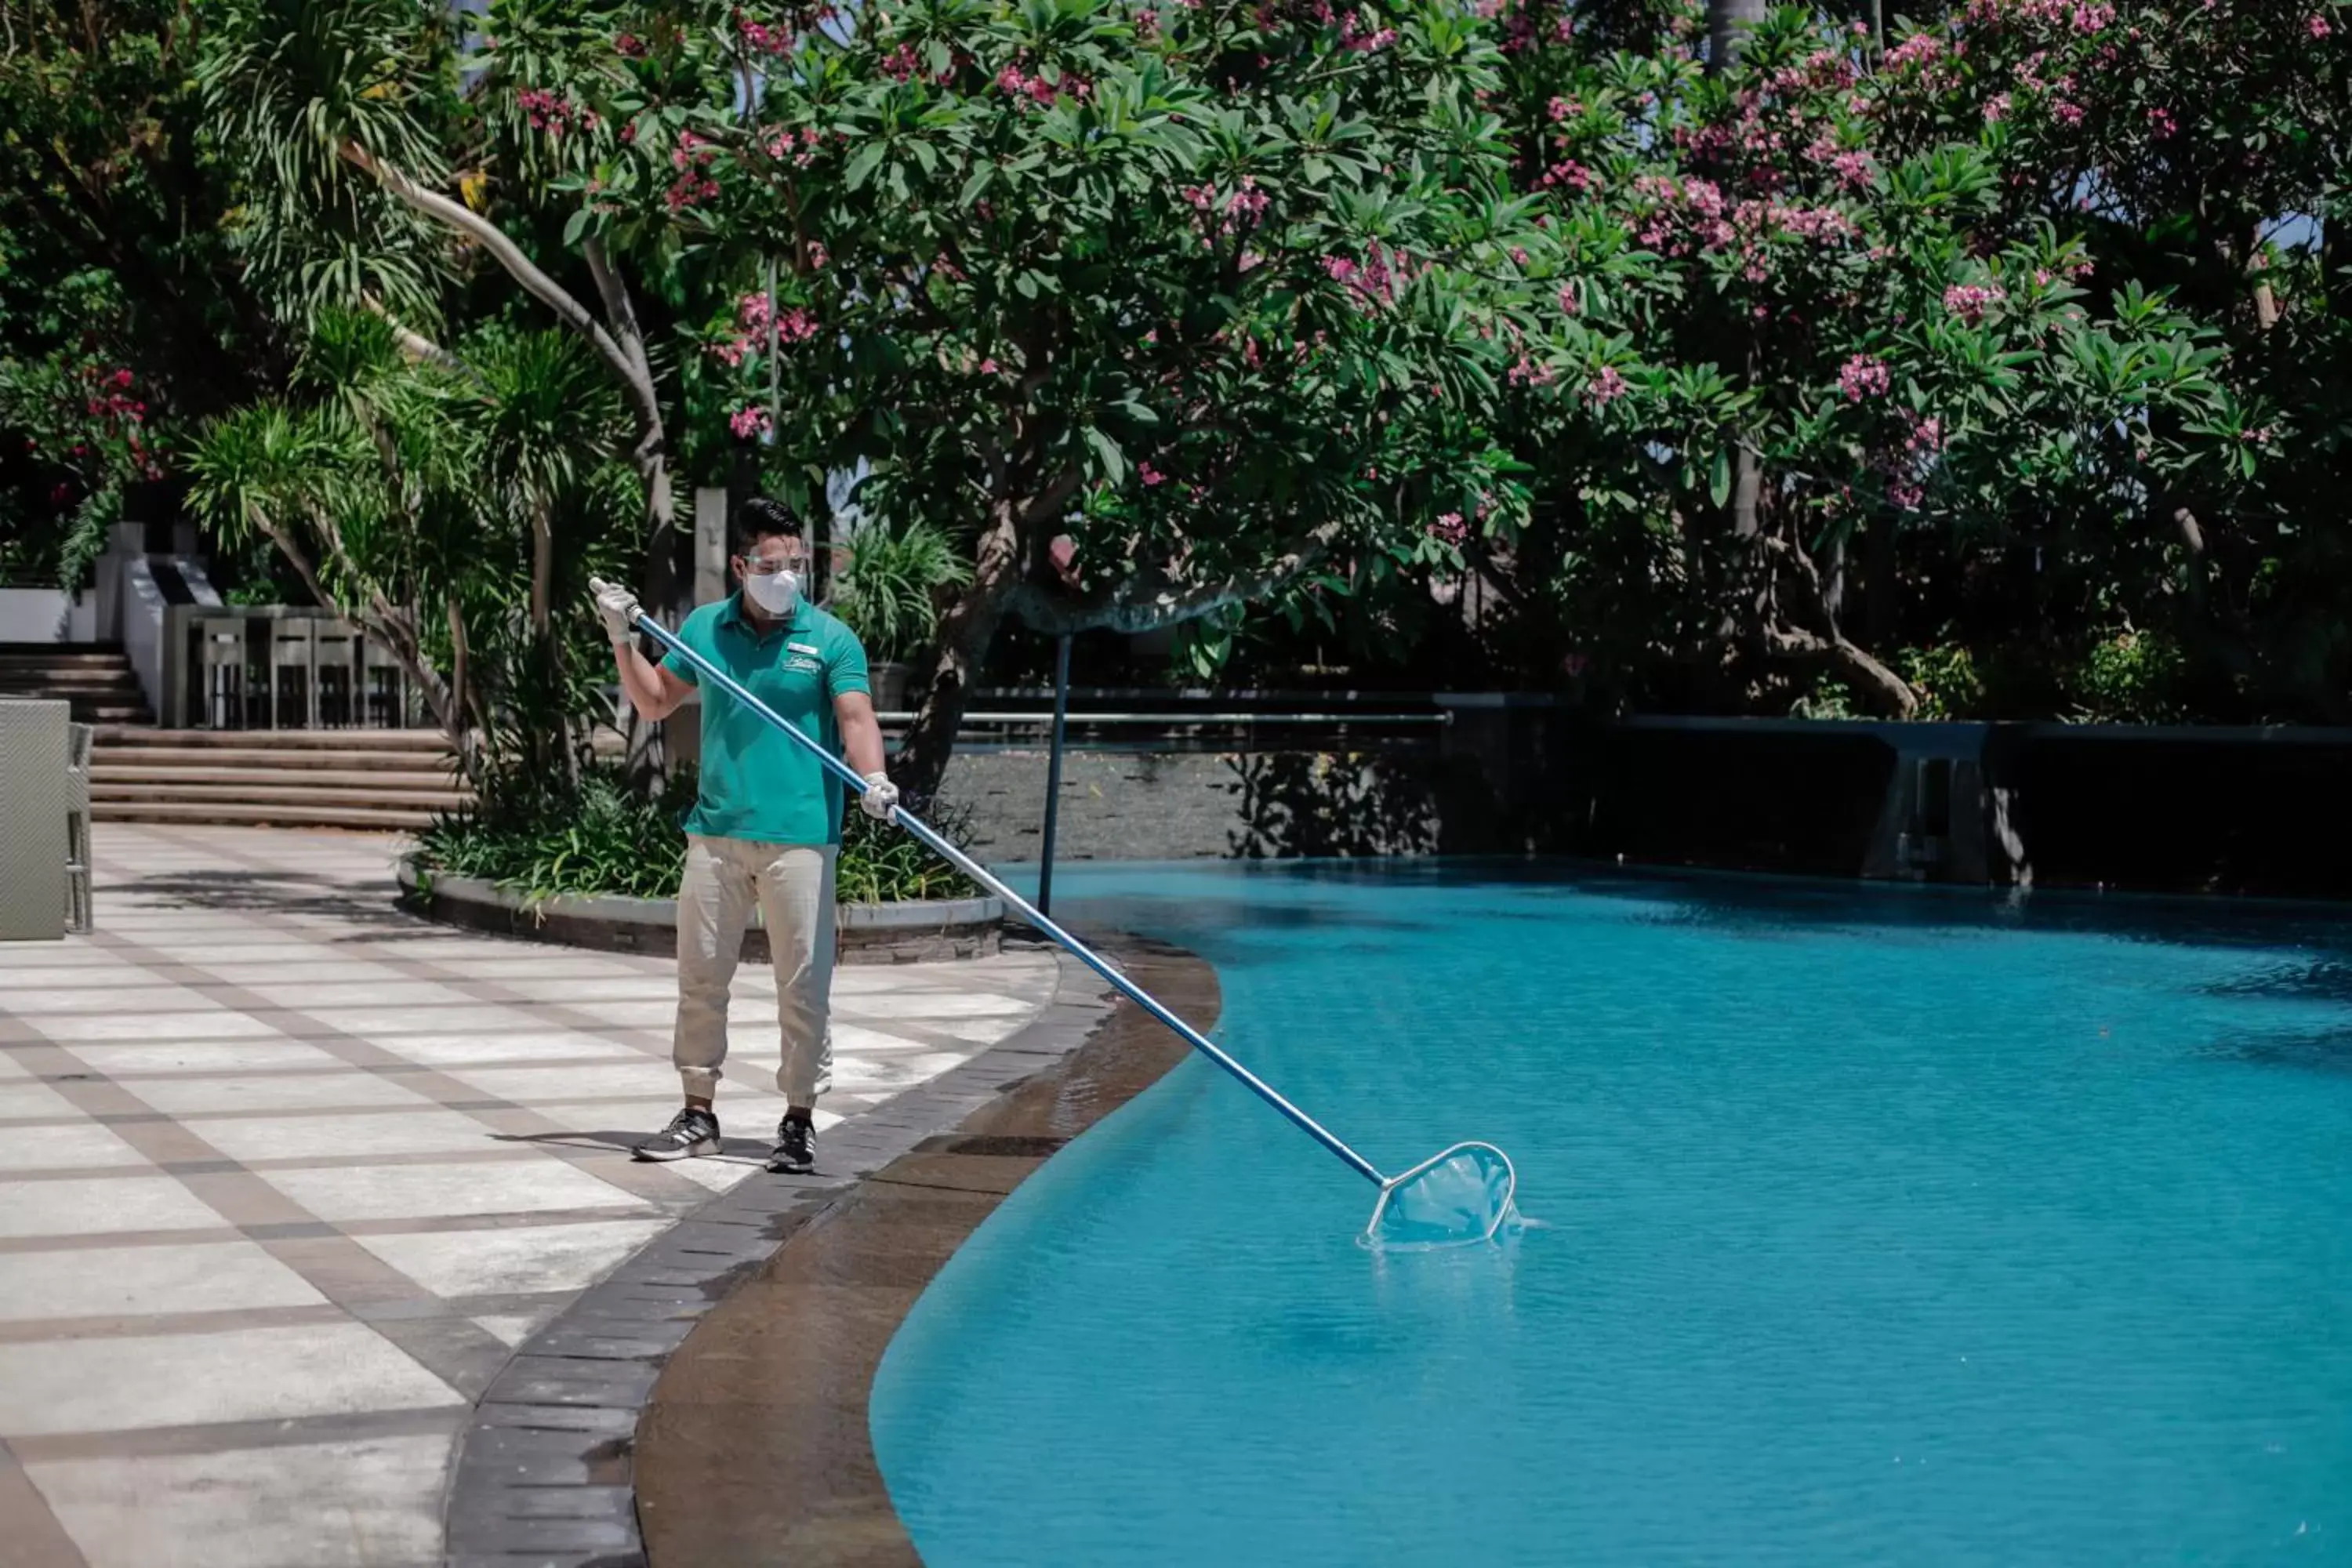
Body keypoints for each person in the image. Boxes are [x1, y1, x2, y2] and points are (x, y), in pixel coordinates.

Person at [589, 498, 898, 1174]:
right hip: (717, 835)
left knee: (803, 984)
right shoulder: (705, 628)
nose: (785, 575)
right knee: (701, 979)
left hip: (800, 838)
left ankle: (798, 1121)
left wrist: (872, 778)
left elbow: (855, 718)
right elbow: (654, 702)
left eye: (796, 564)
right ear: (741, 565)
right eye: (771, 564)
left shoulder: (830, 638)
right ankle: (698, 1114)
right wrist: (621, 637)